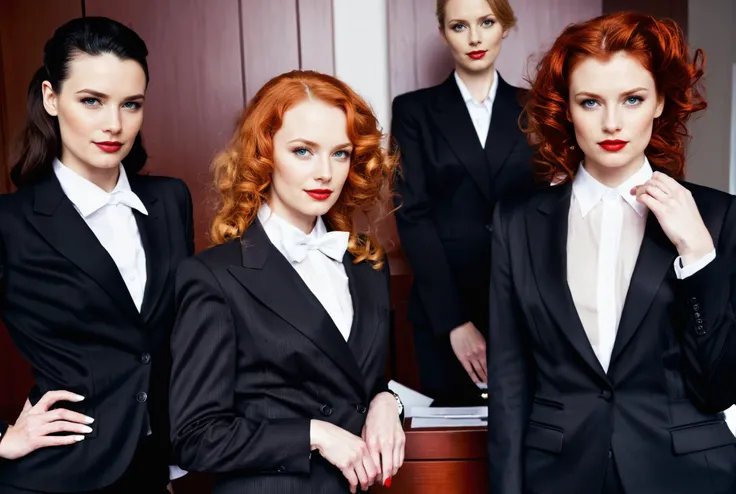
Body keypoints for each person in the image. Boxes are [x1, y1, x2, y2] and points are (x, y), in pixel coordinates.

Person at [487, 11, 736, 494]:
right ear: (567, 110)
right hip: (558, 474)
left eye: (632, 99)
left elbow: (719, 385)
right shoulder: (516, 221)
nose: (612, 122)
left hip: (686, 476)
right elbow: (510, 382)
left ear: (660, 102)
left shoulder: (718, 216)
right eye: (590, 102)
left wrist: (699, 256)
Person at [169, 70, 405, 494]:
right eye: (302, 151)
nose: (325, 173)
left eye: (340, 154)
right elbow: (194, 437)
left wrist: (389, 402)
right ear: (264, 153)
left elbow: (362, 382)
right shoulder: (213, 276)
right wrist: (314, 434)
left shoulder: (366, 264)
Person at [0, 17, 193, 493]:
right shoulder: (10, 222)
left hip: (153, 472)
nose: (114, 124)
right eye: (92, 101)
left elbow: (170, 342)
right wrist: (2, 438)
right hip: (57, 476)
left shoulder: (170, 201)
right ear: (51, 98)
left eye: (131, 104)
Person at [391, 0, 533, 406]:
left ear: (504, 27)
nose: (474, 38)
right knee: (452, 449)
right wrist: (454, 320)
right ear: (443, 32)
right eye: (459, 26)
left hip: (525, 303)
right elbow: (412, 214)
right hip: (445, 311)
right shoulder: (413, 111)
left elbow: (550, 210)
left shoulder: (538, 108)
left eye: (486, 22)